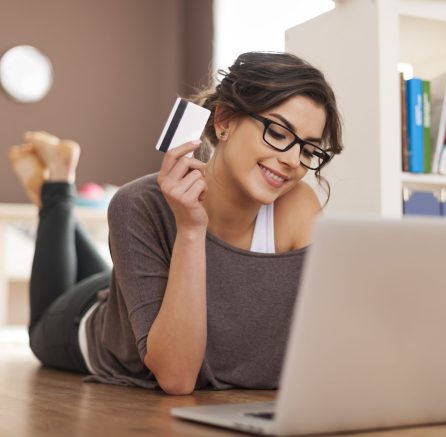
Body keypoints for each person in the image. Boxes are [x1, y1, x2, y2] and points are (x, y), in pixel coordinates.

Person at [9, 51, 343, 395]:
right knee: (37, 331)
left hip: (133, 292)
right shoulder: (139, 203)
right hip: (89, 322)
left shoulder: (298, 206)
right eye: (277, 132)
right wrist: (191, 229)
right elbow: (178, 378)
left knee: (121, 282)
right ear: (224, 120)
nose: (292, 161)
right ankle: (58, 186)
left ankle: (56, 189)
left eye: (308, 151)